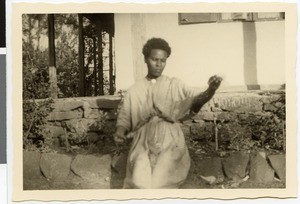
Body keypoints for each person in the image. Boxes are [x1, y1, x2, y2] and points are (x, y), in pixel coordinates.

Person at [113, 38, 222, 189]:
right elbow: (125, 115)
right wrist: (120, 131)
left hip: (170, 140)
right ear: (145, 59)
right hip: (142, 140)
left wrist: (211, 89)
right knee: (139, 180)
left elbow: (196, 99)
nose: (158, 65)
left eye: (163, 61)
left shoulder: (174, 84)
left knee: (161, 181)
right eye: (154, 59)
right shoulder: (135, 90)